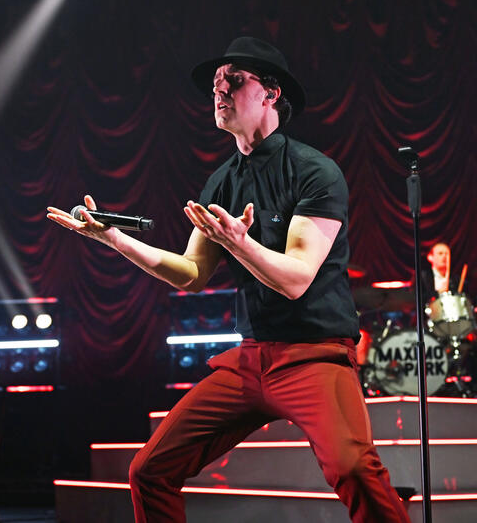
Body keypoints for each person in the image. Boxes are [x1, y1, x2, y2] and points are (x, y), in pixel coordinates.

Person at [47, 36, 411, 523]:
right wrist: (114, 239)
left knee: (354, 469)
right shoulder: (221, 182)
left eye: (233, 81)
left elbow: (297, 279)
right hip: (252, 359)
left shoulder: (315, 172)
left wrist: (240, 244)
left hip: (314, 355)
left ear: (271, 93)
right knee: (149, 470)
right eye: (216, 85)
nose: (219, 91)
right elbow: (192, 273)